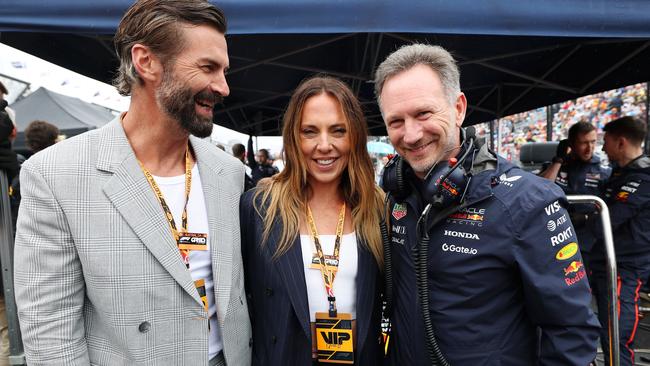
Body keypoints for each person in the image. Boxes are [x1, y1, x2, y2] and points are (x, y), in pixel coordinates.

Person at [13, 1, 251, 365]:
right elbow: (52, 335)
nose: (223, 87)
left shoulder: (228, 172)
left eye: (224, 71)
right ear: (146, 61)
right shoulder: (55, 174)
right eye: (208, 68)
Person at [375, 44, 599, 365]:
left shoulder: (528, 203)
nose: (410, 134)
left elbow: (571, 331)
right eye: (396, 121)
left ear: (458, 108)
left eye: (423, 113)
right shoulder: (397, 196)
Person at [240, 76, 384, 365]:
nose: (324, 145)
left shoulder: (378, 207)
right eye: (310, 131)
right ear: (294, 137)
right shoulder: (259, 209)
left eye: (338, 130)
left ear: (354, 135)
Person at [590, 116, 650, 366]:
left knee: (616, 335)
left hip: (625, 268)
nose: (603, 149)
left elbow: (608, 218)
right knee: (605, 329)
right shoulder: (621, 174)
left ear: (621, 143)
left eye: (606, 142)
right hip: (605, 263)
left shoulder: (643, 179)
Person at [540, 121, 611, 272]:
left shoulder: (604, 171)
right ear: (571, 144)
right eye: (583, 143)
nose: (589, 148)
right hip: (556, 235)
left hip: (589, 241)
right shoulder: (554, 166)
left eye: (593, 142)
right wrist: (558, 160)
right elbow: (541, 189)